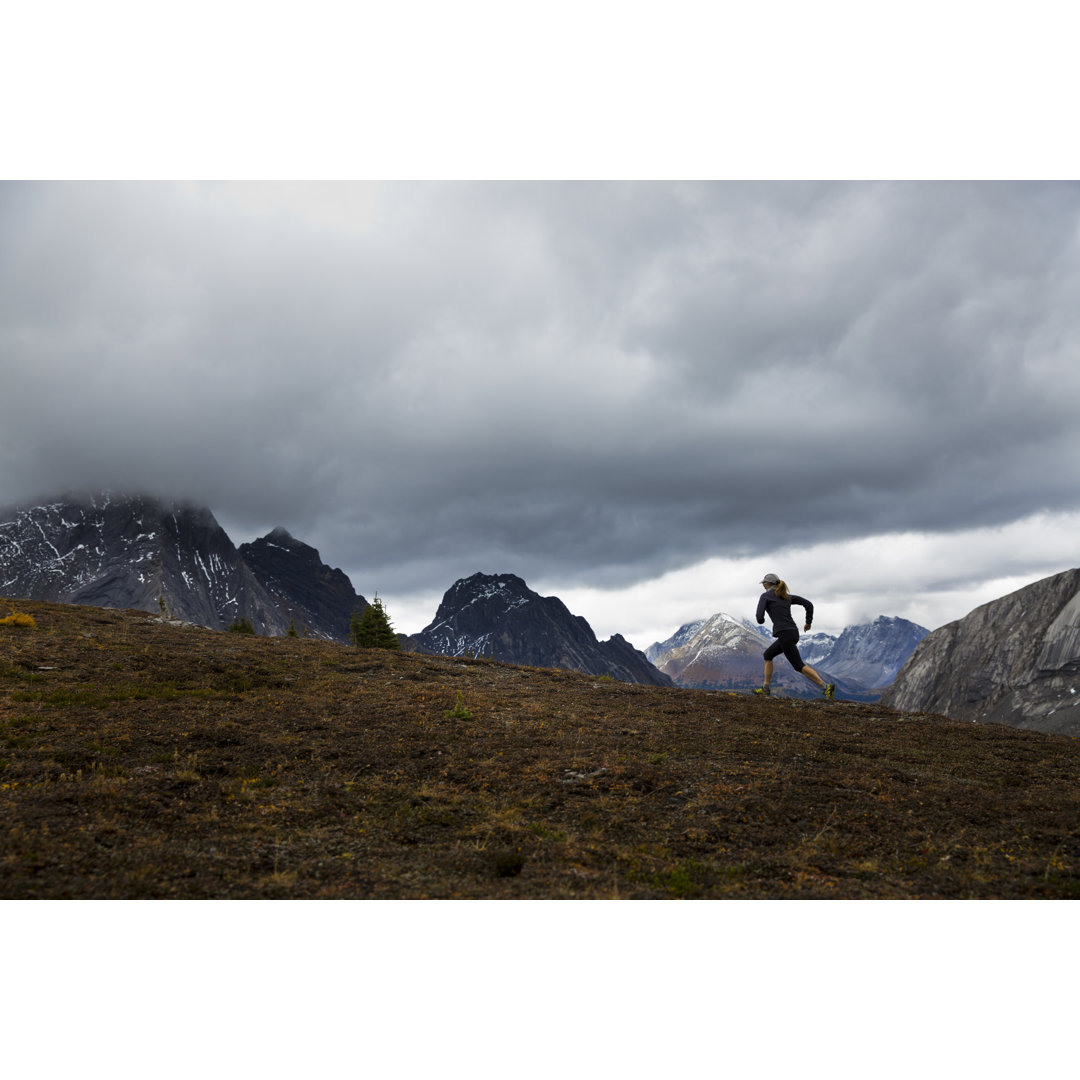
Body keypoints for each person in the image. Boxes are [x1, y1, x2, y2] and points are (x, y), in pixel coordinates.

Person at [753, 573, 836, 699]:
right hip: (792, 632)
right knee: (768, 655)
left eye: (764, 583)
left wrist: (761, 620)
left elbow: (759, 618)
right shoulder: (787, 597)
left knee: (798, 666)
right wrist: (808, 623)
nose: (763, 585)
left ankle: (826, 687)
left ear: (768, 584)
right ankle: (765, 688)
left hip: (785, 634)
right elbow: (808, 604)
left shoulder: (765, 596)